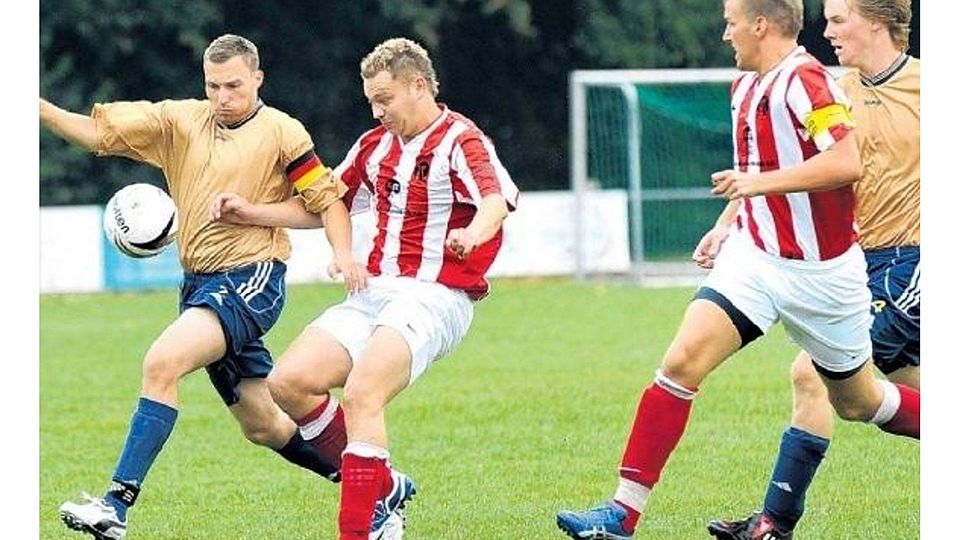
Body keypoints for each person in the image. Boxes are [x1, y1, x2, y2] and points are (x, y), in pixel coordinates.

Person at [554, 1, 920, 538]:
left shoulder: (809, 83)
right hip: (757, 257)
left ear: (760, 25)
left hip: (829, 274)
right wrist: (727, 223)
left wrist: (755, 186)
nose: (725, 34)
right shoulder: (744, 87)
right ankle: (621, 515)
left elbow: (845, 163)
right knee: (681, 362)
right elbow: (758, 170)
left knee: (858, 400)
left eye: (730, 22)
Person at [43, 34, 366, 540]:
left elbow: (323, 204)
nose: (222, 97)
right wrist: (37, 107)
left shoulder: (282, 132)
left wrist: (335, 252)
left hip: (253, 278)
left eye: (233, 85)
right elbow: (94, 133)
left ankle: (115, 506)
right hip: (199, 284)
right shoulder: (179, 121)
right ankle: (379, 488)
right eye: (213, 86)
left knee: (161, 363)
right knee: (264, 425)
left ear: (257, 79)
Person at [211, 37, 520, 540]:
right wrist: (253, 213)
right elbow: (323, 203)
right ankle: (383, 488)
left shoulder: (461, 140)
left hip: (436, 295)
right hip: (374, 291)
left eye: (385, 99)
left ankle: (358, 529)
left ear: (418, 85)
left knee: (362, 394)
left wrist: (472, 234)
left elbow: (496, 200)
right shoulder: (374, 146)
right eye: (371, 101)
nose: (377, 112)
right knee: (288, 382)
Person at [706, 1, 919, 538]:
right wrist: (728, 222)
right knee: (901, 388)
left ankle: (773, 524)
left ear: (876, 22)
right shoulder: (834, 91)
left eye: (839, 20)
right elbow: (780, 168)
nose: (827, 31)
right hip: (855, 263)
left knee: (811, 374)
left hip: (912, 260)